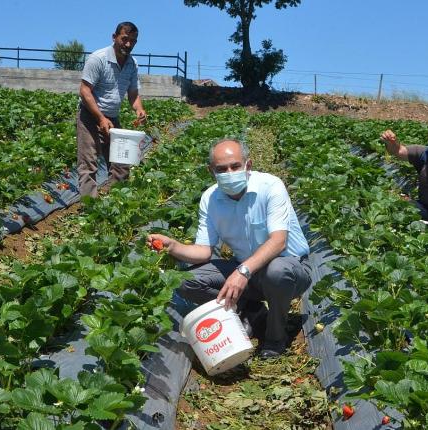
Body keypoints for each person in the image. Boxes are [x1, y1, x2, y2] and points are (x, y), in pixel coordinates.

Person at [148, 139, 312, 359]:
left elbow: (278, 241)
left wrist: (243, 271)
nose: (229, 172)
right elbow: (204, 251)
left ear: (248, 165)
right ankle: (250, 310)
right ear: (211, 171)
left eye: (235, 166)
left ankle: (275, 337)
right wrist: (173, 246)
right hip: (248, 272)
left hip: (290, 268)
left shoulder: (270, 186)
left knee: (276, 271)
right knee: (185, 281)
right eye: (221, 169)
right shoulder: (210, 199)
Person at [76, 21, 147, 197]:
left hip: (112, 118)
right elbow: (85, 91)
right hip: (89, 117)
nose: (128, 44)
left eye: (133, 41)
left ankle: (117, 202)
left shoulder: (132, 64)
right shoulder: (98, 58)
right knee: (88, 163)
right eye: (124, 39)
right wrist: (100, 118)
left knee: (121, 163)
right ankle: (90, 208)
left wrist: (139, 109)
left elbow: (133, 94)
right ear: (114, 37)